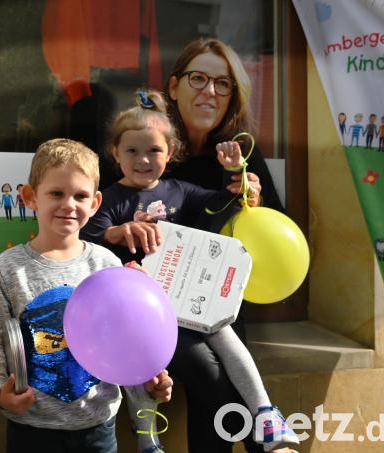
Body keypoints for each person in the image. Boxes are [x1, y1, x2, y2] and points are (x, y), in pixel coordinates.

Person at [80, 91, 299, 453]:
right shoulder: (111, 199)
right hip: (144, 317)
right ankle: (150, 443)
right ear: (115, 153)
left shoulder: (180, 191)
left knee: (229, 341)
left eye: (153, 151)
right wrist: (115, 232)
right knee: (192, 371)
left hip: (193, 303)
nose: (143, 160)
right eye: (132, 151)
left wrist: (236, 173)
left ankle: (265, 414)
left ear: (170, 154)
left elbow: (222, 204)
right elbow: (86, 237)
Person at [0, 138, 173, 453]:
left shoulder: (106, 265)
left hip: (98, 427)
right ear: (30, 197)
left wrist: (148, 376)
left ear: (95, 203)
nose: (69, 205)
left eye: (80, 195)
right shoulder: (8, 269)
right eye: (56, 194)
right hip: (32, 428)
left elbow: (126, 340)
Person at [162, 38, 289, 452]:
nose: (209, 91)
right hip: (160, 305)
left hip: (220, 302)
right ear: (173, 86)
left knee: (213, 407)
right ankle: (269, 441)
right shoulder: (150, 148)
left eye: (223, 84)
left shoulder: (243, 153)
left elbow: (276, 230)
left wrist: (254, 201)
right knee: (218, 385)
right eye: (198, 78)